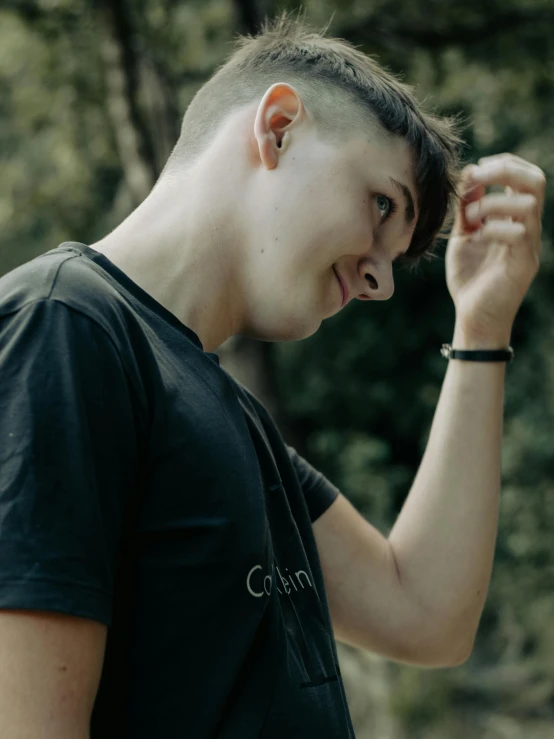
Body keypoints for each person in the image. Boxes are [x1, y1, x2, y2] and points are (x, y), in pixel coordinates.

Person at [0, 12, 545, 739]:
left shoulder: (232, 413)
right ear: (279, 127)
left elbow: (426, 615)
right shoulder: (65, 325)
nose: (380, 278)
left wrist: (480, 327)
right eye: (382, 205)